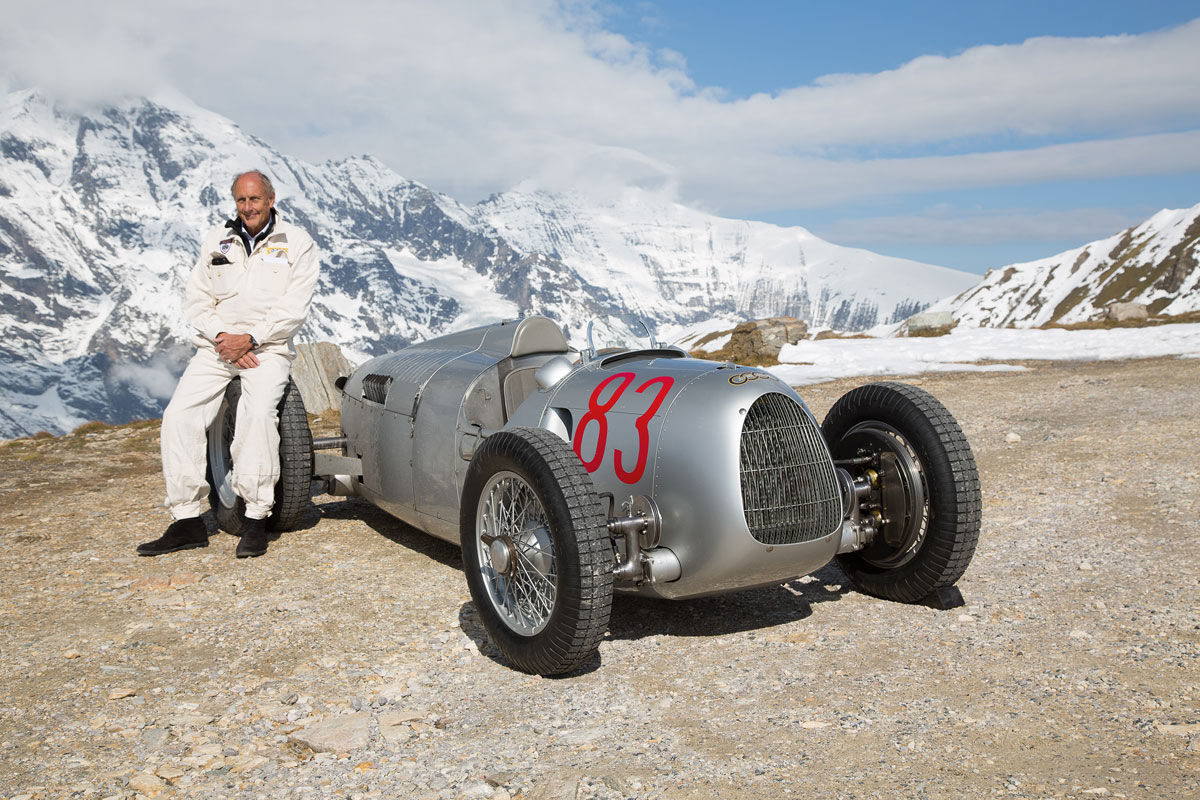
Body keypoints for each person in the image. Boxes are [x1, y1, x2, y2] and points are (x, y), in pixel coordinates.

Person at [137, 170, 320, 558]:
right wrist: (224, 339)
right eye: (241, 200)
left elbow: (294, 308)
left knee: (256, 418)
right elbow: (197, 300)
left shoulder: (297, 244)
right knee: (179, 416)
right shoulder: (215, 242)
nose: (248, 207)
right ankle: (187, 520)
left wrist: (251, 339)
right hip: (218, 347)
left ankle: (255, 520)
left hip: (266, 349)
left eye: (255, 199)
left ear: (271, 200)